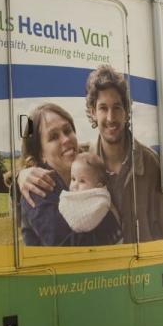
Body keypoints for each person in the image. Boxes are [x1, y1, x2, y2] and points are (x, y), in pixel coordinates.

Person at [20, 64, 163, 243]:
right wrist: (22, 175)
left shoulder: (149, 162)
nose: (111, 118)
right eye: (103, 108)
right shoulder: (83, 163)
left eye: (117, 107)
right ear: (93, 112)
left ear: (126, 112)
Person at [18, 103, 118, 246]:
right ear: (41, 154)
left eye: (67, 130)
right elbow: (69, 248)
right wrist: (113, 218)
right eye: (53, 137)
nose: (66, 139)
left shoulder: (90, 166)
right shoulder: (37, 190)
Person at [58, 151, 122, 244]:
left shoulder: (100, 202)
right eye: (73, 179)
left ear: (98, 187)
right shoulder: (73, 197)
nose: (75, 185)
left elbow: (82, 222)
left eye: (82, 181)